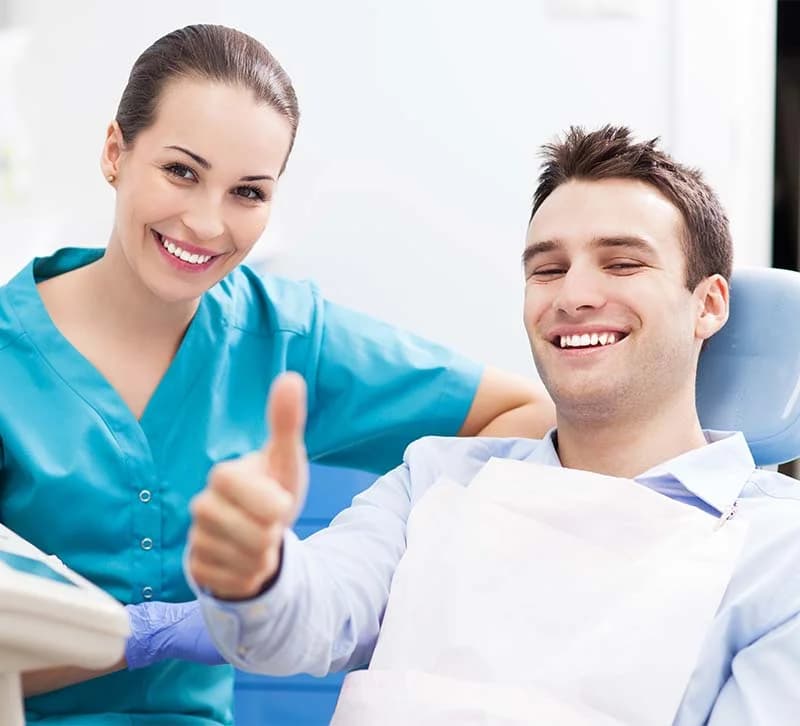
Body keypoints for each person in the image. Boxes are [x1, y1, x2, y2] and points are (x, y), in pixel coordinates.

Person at [0, 24, 556, 726]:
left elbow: (526, 417)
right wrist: (140, 639)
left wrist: (345, 566)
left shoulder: (288, 337)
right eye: (181, 171)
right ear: (116, 152)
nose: (206, 222)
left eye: (248, 192)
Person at [188, 126, 800, 725]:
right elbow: (309, 619)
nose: (575, 294)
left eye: (621, 263)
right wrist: (257, 572)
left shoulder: (780, 555)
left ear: (709, 304)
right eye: (548, 269)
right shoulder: (432, 480)